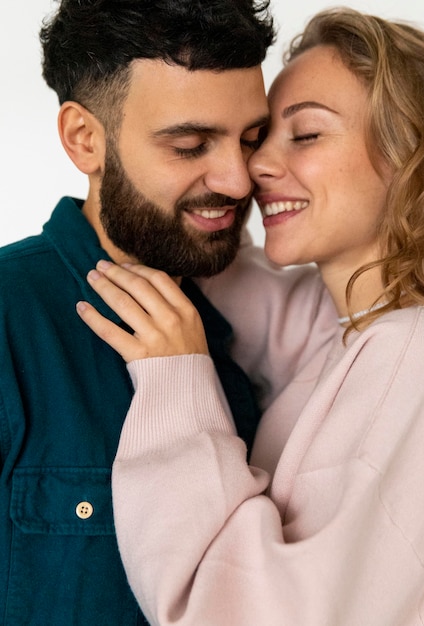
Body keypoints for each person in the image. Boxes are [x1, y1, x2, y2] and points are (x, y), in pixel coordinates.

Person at [78, 6, 424, 626]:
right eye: (260, 138)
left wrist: (176, 383)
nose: (252, 168)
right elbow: (250, 296)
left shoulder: (419, 358)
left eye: (305, 135)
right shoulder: (361, 335)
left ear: (408, 156)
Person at [0, 1, 336, 624]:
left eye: (251, 138)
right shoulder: (7, 321)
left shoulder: (249, 330)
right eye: (189, 145)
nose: (239, 181)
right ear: (84, 139)